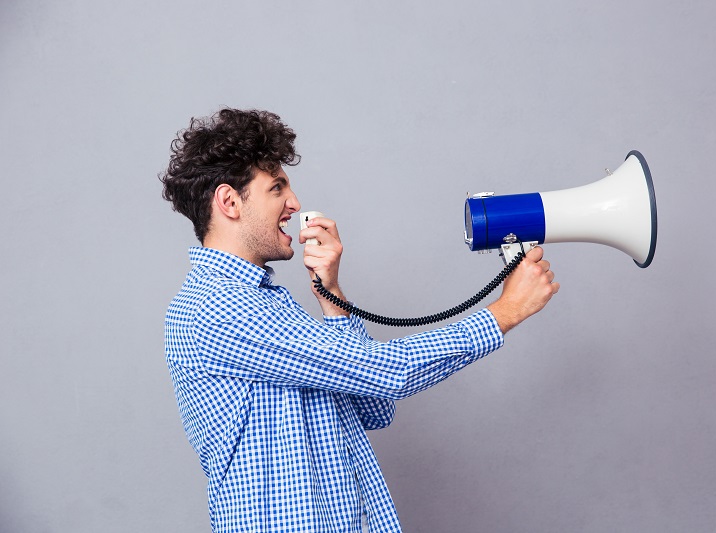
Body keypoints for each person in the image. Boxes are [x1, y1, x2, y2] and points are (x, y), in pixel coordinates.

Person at [160, 108, 559, 533]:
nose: (294, 204)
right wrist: (507, 311)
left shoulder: (265, 302)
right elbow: (388, 373)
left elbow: (373, 407)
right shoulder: (218, 308)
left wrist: (332, 297)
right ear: (229, 202)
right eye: (277, 187)